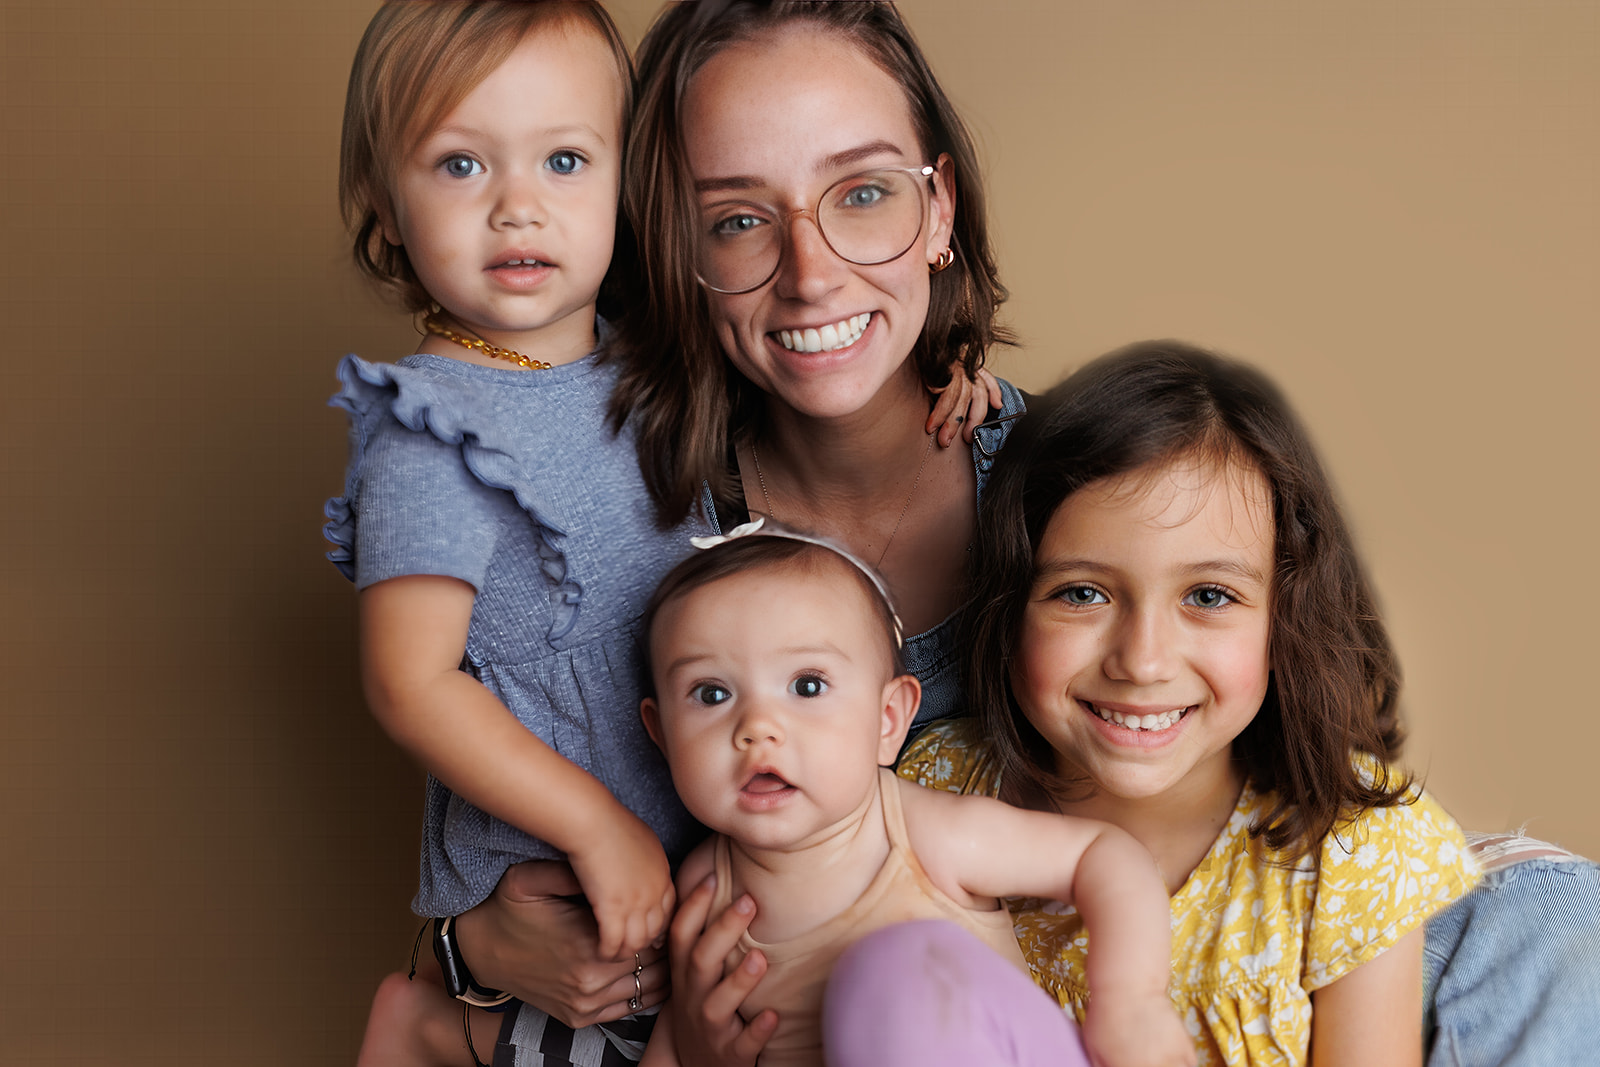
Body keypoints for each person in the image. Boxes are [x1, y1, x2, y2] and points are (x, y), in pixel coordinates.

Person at [447, 2, 1020, 1058]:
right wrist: (472, 942)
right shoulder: (611, 530)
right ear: (673, 248)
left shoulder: (1065, 493)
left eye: (862, 193)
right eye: (739, 219)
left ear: (937, 209)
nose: (810, 273)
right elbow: (496, 863)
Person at [892, 341, 1485, 1065]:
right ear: (1009, 607)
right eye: (1083, 592)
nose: (1142, 661)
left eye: (1208, 596)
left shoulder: (1350, 848)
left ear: (1286, 619)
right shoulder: (939, 787)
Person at [323, 3, 701, 1063]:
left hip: (686, 813)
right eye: (459, 166)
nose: (517, 207)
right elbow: (412, 679)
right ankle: (435, 1028)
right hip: (561, 870)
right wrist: (595, 825)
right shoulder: (432, 431)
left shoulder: (644, 366)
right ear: (382, 204)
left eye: (566, 159)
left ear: (625, 182)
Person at [633, 521, 1193, 1067]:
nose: (757, 727)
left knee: (896, 968)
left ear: (888, 719)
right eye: (710, 694)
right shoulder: (703, 889)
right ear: (661, 736)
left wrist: (1130, 1002)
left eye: (807, 686)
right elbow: (678, 1039)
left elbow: (1103, 855)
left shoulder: (928, 836)